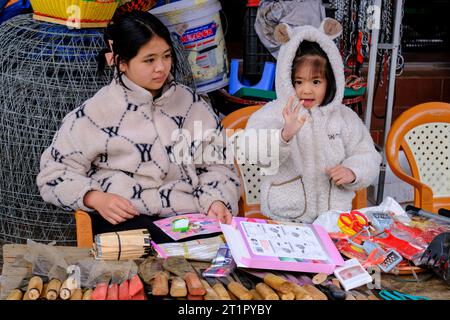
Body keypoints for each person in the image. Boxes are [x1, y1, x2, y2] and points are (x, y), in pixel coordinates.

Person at [37, 11, 240, 240]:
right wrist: (94, 198)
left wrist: (216, 200)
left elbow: (219, 167)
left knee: (219, 244)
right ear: (122, 62)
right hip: (126, 221)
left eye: (166, 56)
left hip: (186, 219)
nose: (161, 68)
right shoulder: (94, 113)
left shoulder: (192, 105)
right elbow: (53, 174)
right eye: (149, 60)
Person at [245, 20, 381, 223]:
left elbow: (368, 154)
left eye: (316, 82)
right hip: (286, 218)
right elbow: (253, 153)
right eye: (299, 82)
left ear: (331, 81)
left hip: (334, 219)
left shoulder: (344, 117)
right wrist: (284, 136)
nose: (306, 90)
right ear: (286, 80)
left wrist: (353, 171)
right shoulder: (274, 113)